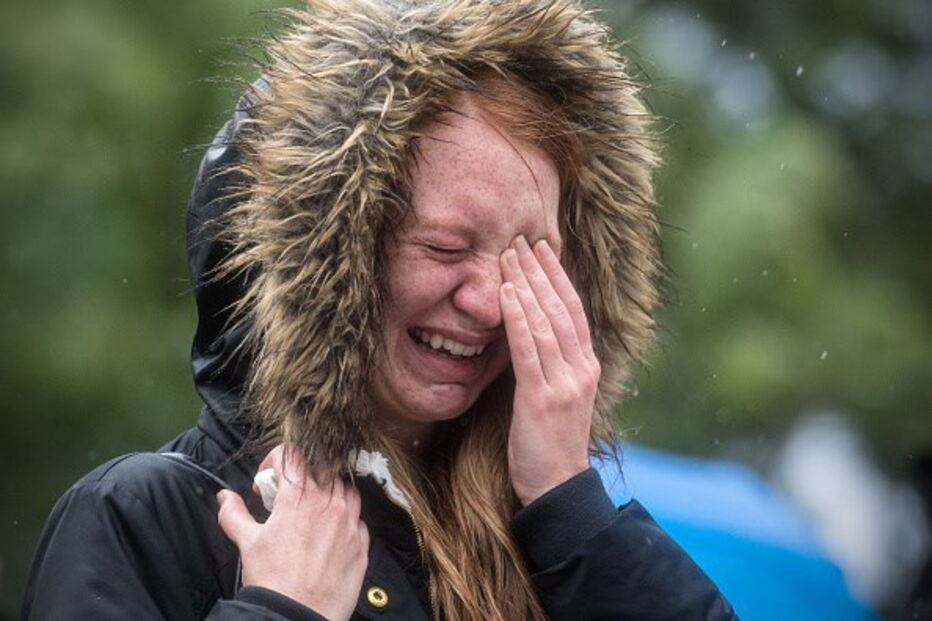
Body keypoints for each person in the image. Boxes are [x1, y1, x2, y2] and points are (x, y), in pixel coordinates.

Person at [22, 1, 737, 619]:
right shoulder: (144, 518)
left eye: (531, 254)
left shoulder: (555, 543)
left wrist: (569, 505)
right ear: (328, 257)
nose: (488, 301)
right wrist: (280, 610)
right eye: (444, 245)